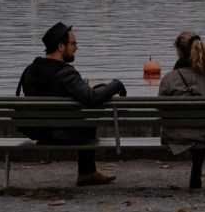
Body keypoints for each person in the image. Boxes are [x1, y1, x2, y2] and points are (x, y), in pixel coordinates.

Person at [16, 22, 127, 186]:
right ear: (61, 46)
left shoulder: (30, 71)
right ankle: (86, 173)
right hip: (60, 134)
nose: (77, 48)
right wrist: (116, 84)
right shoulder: (65, 72)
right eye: (73, 44)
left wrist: (92, 88)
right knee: (88, 120)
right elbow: (91, 98)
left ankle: (88, 173)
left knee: (82, 117)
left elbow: (60, 90)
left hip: (37, 131)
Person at [157, 31, 205, 189]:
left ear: (179, 51)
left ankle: (196, 171)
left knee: (193, 130)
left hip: (175, 134)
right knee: (204, 129)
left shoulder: (169, 78)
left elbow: (160, 109)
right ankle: (196, 170)